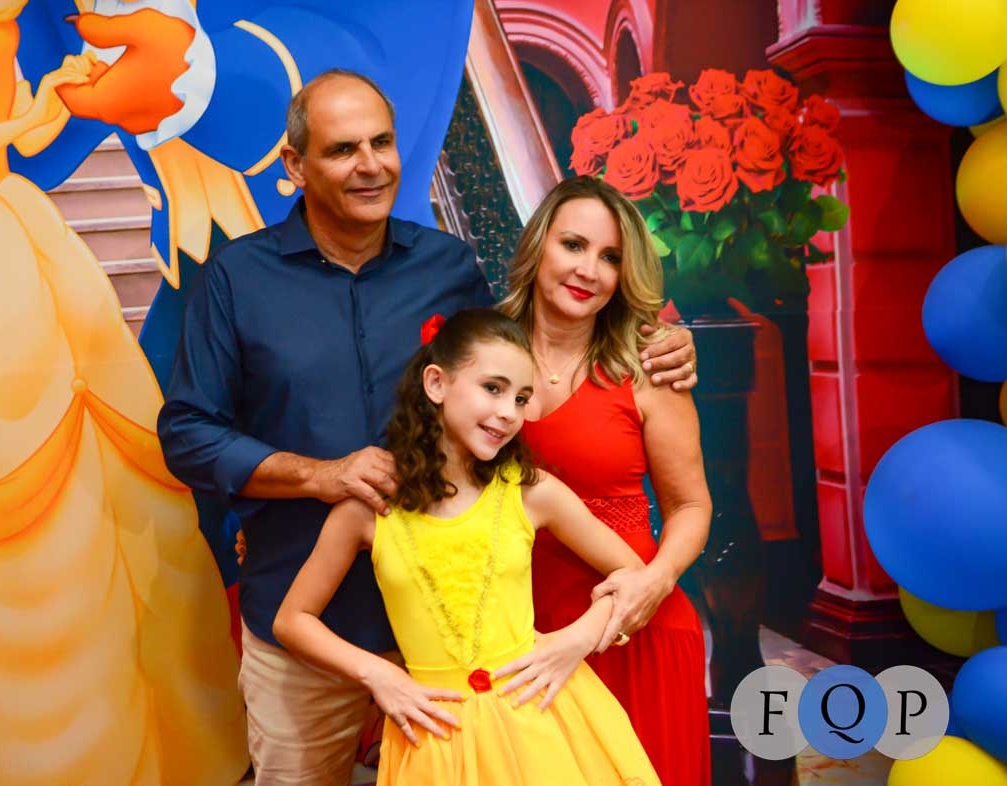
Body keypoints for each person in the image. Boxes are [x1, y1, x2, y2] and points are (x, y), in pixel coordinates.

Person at [160, 69, 696, 785]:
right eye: (342, 149)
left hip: (457, 633)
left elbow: (525, 355)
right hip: (312, 632)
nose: (370, 164)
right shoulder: (237, 277)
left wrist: (660, 339)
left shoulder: (447, 265)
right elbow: (187, 433)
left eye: (381, 143)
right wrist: (320, 476)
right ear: (295, 165)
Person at [0, 4, 246, 785]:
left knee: (95, 425)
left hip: (17, 233)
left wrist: (55, 95)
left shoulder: (16, 14)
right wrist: (22, 117)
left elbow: (35, 150)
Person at [275, 308, 663, 785]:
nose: (509, 412)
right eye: (493, 388)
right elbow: (292, 619)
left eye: (521, 398)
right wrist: (378, 675)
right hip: (436, 735)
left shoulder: (530, 492)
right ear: (436, 384)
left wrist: (576, 640)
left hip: (538, 720)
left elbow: (633, 574)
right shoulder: (368, 510)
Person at [499, 175, 713, 786]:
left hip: (633, 630)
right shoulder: (482, 353)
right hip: (516, 637)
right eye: (573, 245)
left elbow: (691, 505)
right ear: (538, 245)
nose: (588, 270)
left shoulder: (648, 370)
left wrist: (652, 584)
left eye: (610, 257)